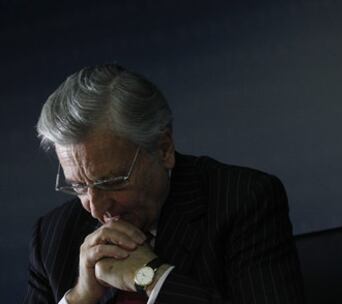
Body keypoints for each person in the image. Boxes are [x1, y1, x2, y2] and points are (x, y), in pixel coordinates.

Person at [24, 64, 305, 304]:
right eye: (80, 187)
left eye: (111, 181)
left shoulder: (243, 201)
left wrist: (153, 277)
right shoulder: (51, 237)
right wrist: (80, 297)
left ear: (164, 149)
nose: (96, 207)